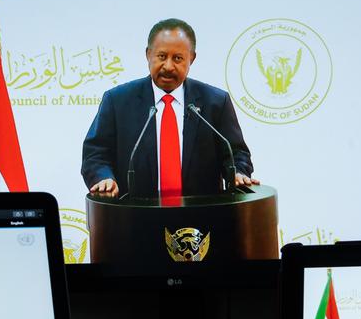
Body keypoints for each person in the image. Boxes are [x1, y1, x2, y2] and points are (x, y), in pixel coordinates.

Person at [82, 18, 259, 199]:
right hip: (134, 215)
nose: (168, 66)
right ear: (148, 55)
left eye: (177, 58)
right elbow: (96, 153)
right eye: (161, 56)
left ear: (192, 58)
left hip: (201, 218)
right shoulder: (117, 100)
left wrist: (238, 173)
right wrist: (103, 177)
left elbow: (237, 153)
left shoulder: (216, 102)